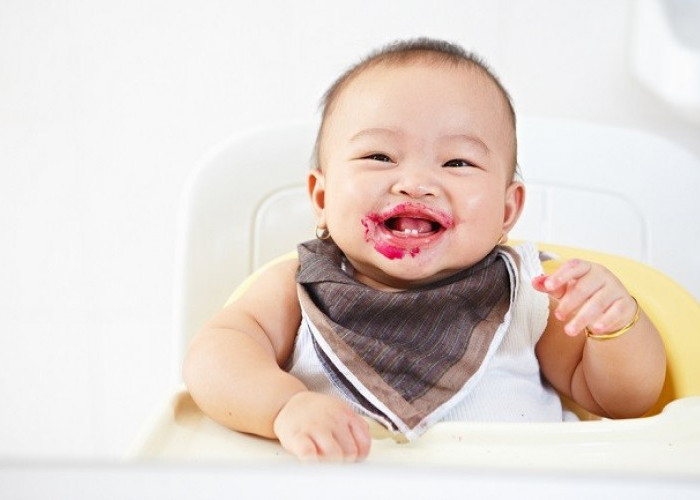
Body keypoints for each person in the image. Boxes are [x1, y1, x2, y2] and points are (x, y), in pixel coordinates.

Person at [183, 38, 667, 462]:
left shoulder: (532, 294)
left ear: (506, 210)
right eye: (379, 156)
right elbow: (213, 359)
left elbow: (622, 402)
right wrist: (284, 406)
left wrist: (615, 326)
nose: (415, 183)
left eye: (457, 161)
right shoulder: (296, 291)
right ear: (323, 198)